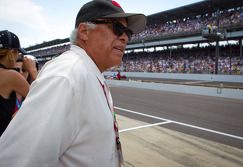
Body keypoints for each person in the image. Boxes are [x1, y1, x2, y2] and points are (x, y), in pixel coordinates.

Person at [0, 1, 146, 167]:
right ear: (84, 32)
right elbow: (17, 161)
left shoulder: (87, 72)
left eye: (128, 32)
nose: (125, 37)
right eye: (117, 28)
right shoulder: (67, 75)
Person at [0, 30, 38, 136]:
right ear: (12, 53)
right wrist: (32, 70)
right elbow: (41, 96)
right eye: (18, 53)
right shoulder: (10, 75)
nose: (18, 56)